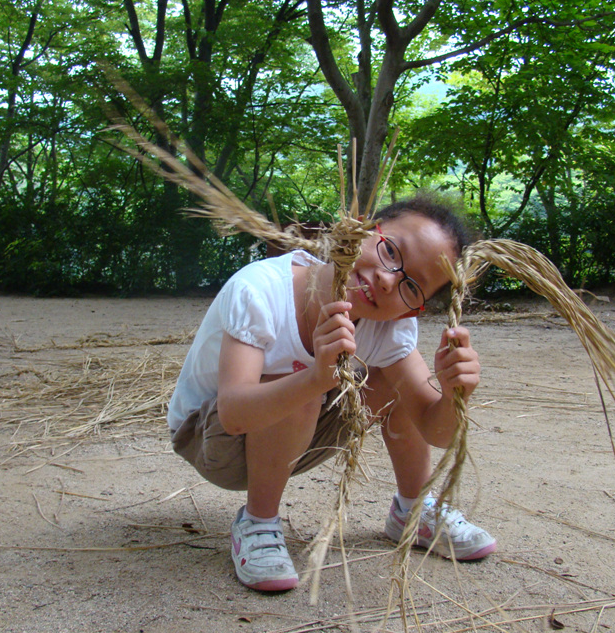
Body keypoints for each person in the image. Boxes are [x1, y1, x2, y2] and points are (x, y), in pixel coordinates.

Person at [167, 192, 496, 592]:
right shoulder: (261, 289)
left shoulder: (389, 327)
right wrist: (315, 379)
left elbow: (438, 432)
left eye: (411, 286)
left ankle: (414, 511)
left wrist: (453, 394)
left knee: (395, 380)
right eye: (391, 250)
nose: (387, 279)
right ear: (358, 229)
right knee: (303, 382)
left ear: (413, 310)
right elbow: (234, 412)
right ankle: (258, 523)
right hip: (211, 439)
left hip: (289, 437)